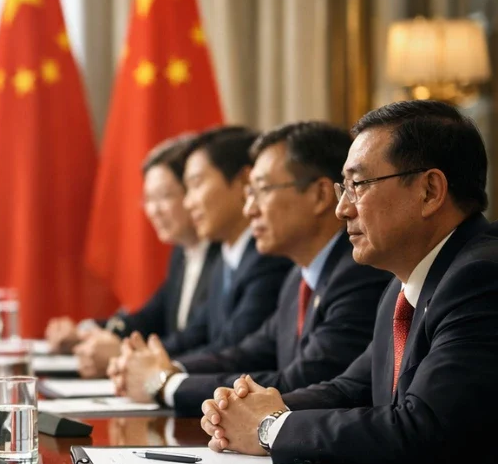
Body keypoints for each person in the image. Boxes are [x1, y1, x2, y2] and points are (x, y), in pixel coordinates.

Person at [201, 100, 498, 464]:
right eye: (345, 188)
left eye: (359, 185)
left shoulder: (481, 277)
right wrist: (244, 409)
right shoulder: (404, 282)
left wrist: (269, 428)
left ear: (430, 191)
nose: (344, 208)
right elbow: (349, 389)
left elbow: (423, 431)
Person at [114, 122, 391, 414]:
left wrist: (165, 384)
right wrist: (168, 369)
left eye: (262, 190)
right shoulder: (298, 276)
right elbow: (247, 352)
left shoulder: (359, 274)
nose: (250, 209)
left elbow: (300, 381)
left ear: (320, 195)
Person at [99, 126, 293, 379]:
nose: (188, 203)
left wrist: (157, 372)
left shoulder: (270, 259)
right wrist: (141, 362)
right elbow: (196, 332)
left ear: (243, 183)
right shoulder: (226, 256)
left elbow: (237, 350)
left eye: (195, 185)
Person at [46, 133, 220, 369]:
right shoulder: (181, 254)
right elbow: (148, 318)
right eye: (148, 199)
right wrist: (85, 333)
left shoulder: (223, 255)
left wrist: (124, 353)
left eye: (164, 196)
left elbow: (197, 337)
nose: (153, 210)